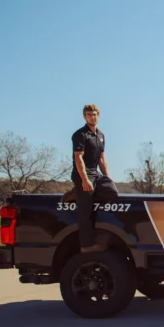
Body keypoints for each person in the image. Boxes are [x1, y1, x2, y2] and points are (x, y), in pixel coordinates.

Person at [71, 104, 109, 252]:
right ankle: (86, 245)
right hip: (83, 174)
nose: (92, 117)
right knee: (86, 209)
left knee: (112, 192)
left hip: (95, 173)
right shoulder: (80, 134)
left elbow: (102, 159)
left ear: (98, 115)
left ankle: (74, 193)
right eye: (88, 114)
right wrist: (84, 180)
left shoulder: (101, 135)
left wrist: (107, 178)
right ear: (84, 116)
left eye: (94, 114)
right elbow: (78, 158)